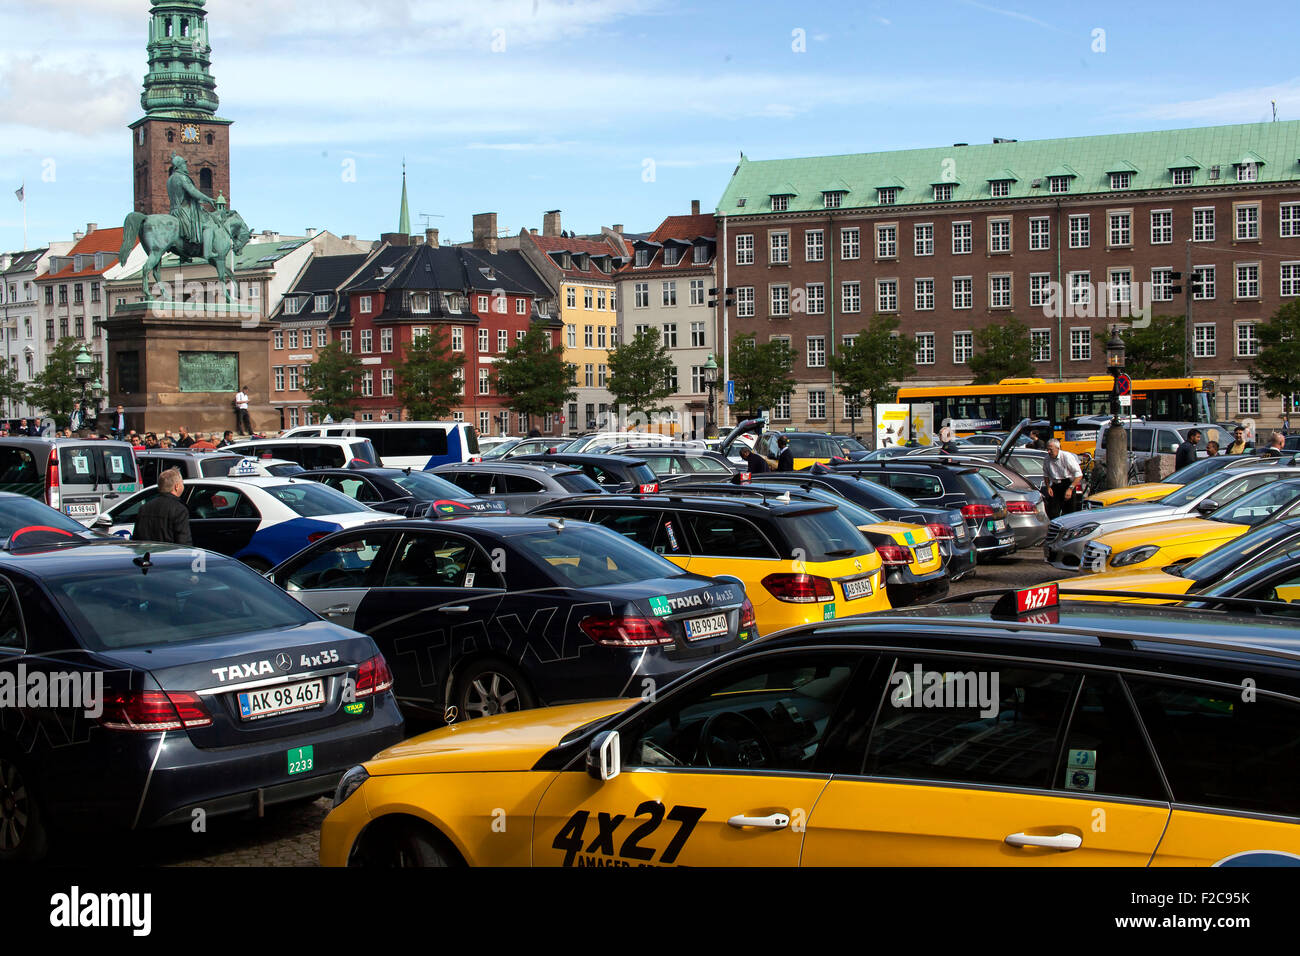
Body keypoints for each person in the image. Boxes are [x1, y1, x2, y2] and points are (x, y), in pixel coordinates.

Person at [133, 468, 192, 545]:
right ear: (176, 486)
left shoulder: (144, 508)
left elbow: (136, 539)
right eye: (182, 483)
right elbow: (184, 542)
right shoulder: (179, 509)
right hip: (168, 555)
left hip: (147, 555)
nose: (183, 486)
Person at [1043, 438, 1083, 519]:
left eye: (1051, 449)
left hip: (1067, 484)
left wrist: (1070, 489)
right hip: (1055, 485)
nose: (1048, 452)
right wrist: (1048, 487)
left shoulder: (1066, 456)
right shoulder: (1047, 459)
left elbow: (1078, 474)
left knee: (1069, 512)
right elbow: (1045, 474)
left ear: (1058, 448)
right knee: (1052, 512)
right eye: (1047, 449)